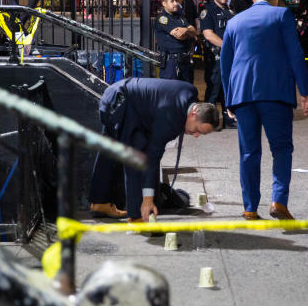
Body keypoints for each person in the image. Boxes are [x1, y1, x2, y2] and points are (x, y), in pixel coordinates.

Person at [221, 0, 308, 221]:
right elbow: (295, 53)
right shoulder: (282, 14)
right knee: (281, 148)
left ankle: (250, 208)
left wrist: (229, 99)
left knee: (249, 153)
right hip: (275, 92)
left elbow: (225, 65)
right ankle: (278, 201)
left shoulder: (234, 22)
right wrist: (305, 90)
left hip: (242, 94)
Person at [89, 78, 218, 222]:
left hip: (115, 96)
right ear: (193, 113)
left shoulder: (190, 93)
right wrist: (148, 200)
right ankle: (137, 216)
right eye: (197, 130)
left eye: (201, 134)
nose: (195, 135)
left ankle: (99, 201)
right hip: (119, 106)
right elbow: (152, 158)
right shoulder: (171, 120)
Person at [201, 0, 235, 129]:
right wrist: (227, 47)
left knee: (228, 88)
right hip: (215, 57)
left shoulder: (228, 10)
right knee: (214, 89)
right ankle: (209, 121)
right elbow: (208, 34)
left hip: (229, 56)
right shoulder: (208, 11)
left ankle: (228, 119)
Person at [154, 0, 197, 82]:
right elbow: (179, 36)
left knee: (187, 91)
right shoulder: (162, 18)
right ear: (164, 3)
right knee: (171, 93)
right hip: (171, 63)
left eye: (176, 1)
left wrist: (186, 30)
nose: (175, 3)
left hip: (184, 61)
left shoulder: (180, 17)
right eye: (172, 1)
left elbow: (194, 31)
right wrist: (188, 33)